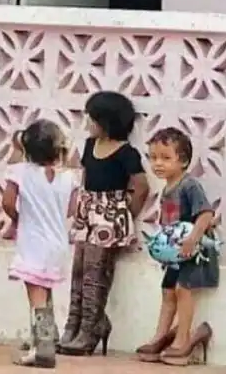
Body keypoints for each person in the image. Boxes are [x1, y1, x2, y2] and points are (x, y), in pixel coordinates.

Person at [58, 91, 149, 356]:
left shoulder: (126, 153)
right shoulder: (90, 145)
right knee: (79, 270)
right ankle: (74, 325)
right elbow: (85, 176)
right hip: (88, 214)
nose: (88, 123)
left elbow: (141, 187)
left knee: (95, 273)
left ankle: (91, 327)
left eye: (93, 118)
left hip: (108, 216)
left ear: (107, 122)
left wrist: (124, 214)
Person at [136, 127, 218, 366]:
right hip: (175, 256)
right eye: (153, 157)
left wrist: (192, 238)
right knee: (168, 291)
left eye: (165, 158)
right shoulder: (166, 190)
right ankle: (160, 336)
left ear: (182, 161)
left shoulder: (189, 186)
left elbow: (206, 214)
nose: (158, 163)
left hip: (193, 252)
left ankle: (183, 339)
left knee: (184, 290)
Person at [2, 119, 78, 368]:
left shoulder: (20, 172)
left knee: (35, 294)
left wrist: (18, 218)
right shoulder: (69, 178)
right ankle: (48, 336)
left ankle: (43, 346)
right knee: (45, 289)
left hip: (33, 242)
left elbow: (7, 202)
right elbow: (72, 209)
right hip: (58, 243)